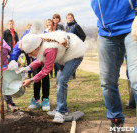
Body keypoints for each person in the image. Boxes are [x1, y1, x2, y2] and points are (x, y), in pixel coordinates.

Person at [19, 30, 87, 123]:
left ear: (37, 48)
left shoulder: (50, 49)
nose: (30, 56)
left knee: (62, 81)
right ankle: (62, 108)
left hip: (74, 53)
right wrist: (26, 68)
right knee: (59, 81)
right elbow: (40, 60)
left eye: (30, 53)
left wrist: (31, 80)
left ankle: (61, 112)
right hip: (65, 53)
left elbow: (46, 70)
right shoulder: (38, 42)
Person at [91, 0, 137, 132]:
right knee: (107, 81)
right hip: (107, 32)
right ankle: (116, 119)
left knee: (135, 79)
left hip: (132, 24)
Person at [9, 21, 51, 111]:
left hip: (44, 59)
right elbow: (17, 47)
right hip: (35, 58)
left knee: (45, 76)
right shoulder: (27, 33)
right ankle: (36, 99)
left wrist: (29, 69)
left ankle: (45, 99)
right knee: (36, 76)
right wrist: (13, 60)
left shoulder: (45, 36)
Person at [65, 13, 86, 79]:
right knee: (69, 61)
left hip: (75, 46)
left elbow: (83, 35)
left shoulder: (76, 26)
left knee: (73, 61)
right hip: (68, 47)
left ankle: (73, 75)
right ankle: (70, 74)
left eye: (71, 17)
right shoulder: (66, 27)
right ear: (66, 19)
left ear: (73, 18)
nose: (69, 19)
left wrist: (79, 44)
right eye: (68, 18)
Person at [52, 14, 64, 78]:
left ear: (59, 19)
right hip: (53, 45)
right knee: (55, 61)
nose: (55, 19)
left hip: (59, 45)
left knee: (59, 61)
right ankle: (56, 74)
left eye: (57, 18)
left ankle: (60, 74)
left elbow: (62, 35)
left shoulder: (60, 26)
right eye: (54, 18)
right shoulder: (52, 26)